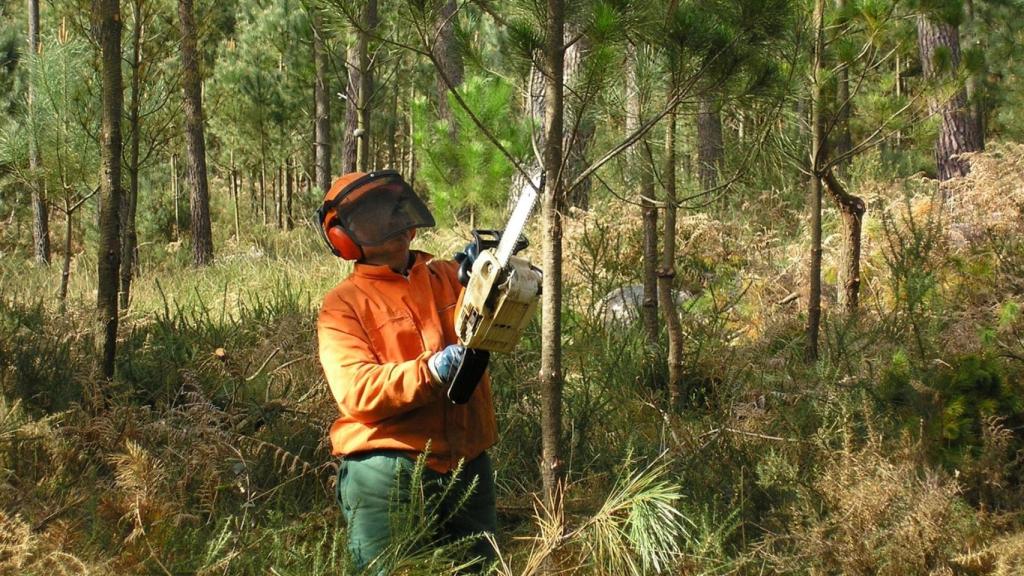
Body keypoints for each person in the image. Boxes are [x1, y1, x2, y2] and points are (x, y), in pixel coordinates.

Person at [315, 170, 498, 573]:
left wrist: (491, 275)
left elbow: (497, 324)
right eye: (375, 216)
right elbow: (356, 390)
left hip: (468, 458)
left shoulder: (449, 277)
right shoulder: (343, 305)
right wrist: (432, 370)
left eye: (394, 209)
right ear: (345, 237)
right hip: (388, 468)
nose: (392, 222)